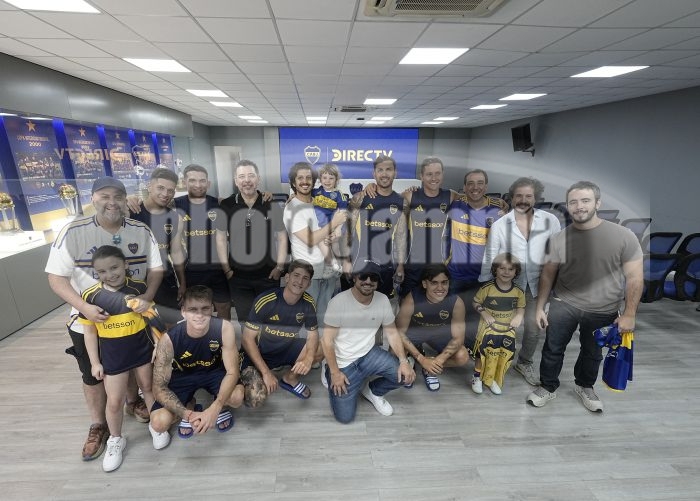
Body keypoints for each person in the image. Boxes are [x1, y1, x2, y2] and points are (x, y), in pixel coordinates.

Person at [46, 177, 163, 461]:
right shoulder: (73, 231)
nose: (112, 202)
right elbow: (56, 279)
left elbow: (156, 269)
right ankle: (99, 426)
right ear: (92, 199)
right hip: (90, 322)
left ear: (125, 199)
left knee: (133, 367)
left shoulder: (140, 230)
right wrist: (84, 308)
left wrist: (147, 297)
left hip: (132, 320)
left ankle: (133, 403)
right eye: (104, 196)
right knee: (93, 374)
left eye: (118, 196)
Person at [527, 181, 643, 412]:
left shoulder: (624, 236)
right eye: (573, 202)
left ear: (597, 203)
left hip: (603, 308)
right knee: (552, 349)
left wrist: (630, 314)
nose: (579, 206)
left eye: (585, 200)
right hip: (563, 303)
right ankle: (548, 386)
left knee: (592, 352)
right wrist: (540, 306)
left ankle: (585, 386)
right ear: (568, 206)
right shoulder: (559, 238)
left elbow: (635, 278)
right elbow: (548, 274)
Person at [81, 246, 167, 472]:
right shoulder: (90, 296)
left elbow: (152, 317)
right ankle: (116, 439)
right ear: (96, 273)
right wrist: (95, 362)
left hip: (142, 351)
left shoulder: (140, 288)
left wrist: (158, 344)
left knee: (148, 389)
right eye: (102, 271)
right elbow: (89, 332)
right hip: (113, 357)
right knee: (115, 401)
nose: (110, 274)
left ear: (125, 264)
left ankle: (157, 426)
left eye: (114, 267)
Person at [479, 177, 561, 386]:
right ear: (511, 197)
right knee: (502, 326)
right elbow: (490, 254)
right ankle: (496, 361)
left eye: (528, 196)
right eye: (519, 196)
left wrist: (557, 285)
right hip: (507, 284)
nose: (523, 200)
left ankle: (524, 362)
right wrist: (486, 285)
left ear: (536, 197)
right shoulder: (500, 224)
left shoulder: (550, 220)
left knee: (533, 328)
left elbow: (556, 255)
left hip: (538, 284)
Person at [321, 260, 415, 423]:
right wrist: (335, 373)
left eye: (373, 278)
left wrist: (403, 361)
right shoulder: (338, 302)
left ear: (378, 282)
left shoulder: (382, 300)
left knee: (405, 376)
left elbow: (392, 333)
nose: (368, 281)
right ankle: (328, 369)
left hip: (368, 354)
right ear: (354, 277)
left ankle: (373, 391)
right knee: (345, 417)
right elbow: (326, 341)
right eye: (363, 276)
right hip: (343, 363)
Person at [150, 285, 244, 441]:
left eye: (205, 309)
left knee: (236, 397)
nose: (199, 315)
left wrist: (215, 408)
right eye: (193, 309)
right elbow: (158, 387)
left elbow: (232, 372)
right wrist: (187, 415)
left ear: (212, 309)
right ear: (183, 312)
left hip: (214, 371)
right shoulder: (169, 339)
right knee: (158, 423)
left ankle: (220, 404)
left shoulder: (224, 328)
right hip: (183, 375)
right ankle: (189, 405)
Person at [216, 160, 287, 327]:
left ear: (258, 179)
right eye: (241, 176)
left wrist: (280, 267)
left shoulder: (271, 203)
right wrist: (226, 269)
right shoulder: (227, 204)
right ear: (236, 181)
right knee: (246, 321)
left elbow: (282, 237)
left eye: (251, 176)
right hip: (238, 277)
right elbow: (220, 239)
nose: (246, 180)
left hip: (268, 276)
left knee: (270, 320)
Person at [241, 260, 322, 404]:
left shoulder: (309, 303)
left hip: (286, 349)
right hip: (260, 352)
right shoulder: (266, 300)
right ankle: (261, 373)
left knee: (322, 348)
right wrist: (266, 373)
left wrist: (309, 358)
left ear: (309, 284)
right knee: (255, 398)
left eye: (305, 278)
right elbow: (247, 339)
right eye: (296, 275)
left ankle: (289, 378)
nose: (300, 281)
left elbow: (313, 335)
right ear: (287, 278)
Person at [445, 169, 507, 346]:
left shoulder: (498, 211)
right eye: (470, 183)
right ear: (464, 187)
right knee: (452, 313)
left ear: (486, 186)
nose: (475, 187)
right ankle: (451, 345)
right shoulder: (455, 206)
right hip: (455, 274)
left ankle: (470, 346)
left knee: (474, 315)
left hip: (483, 276)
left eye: (480, 183)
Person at [283, 162, 347, 325]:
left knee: (325, 314)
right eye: (300, 178)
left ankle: (322, 341)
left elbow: (334, 223)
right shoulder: (292, 208)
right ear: (293, 182)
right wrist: (334, 223)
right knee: (307, 317)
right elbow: (311, 240)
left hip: (329, 269)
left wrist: (334, 234)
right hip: (308, 271)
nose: (305, 181)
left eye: (308, 178)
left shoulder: (319, 200)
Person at [395, 264, 469, 391]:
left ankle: (429, 368)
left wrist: (439, 360)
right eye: (434, 283)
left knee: (462, 356)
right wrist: (421, 358)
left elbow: (458, 339)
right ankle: (410, 361)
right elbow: (399, 332)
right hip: (416, 332)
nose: (440, 288)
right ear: (425, 284)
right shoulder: (412, 298)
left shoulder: (456, 302)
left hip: (439, 334)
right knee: (393, 351)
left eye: (444, 282)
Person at [129, 167, 186, 325]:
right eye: (160, 188)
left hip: (165, 280)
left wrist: (182, 283)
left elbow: (176, 253)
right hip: (135, 281)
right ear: (149, 186)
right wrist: (126, 199)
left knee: (170, 326)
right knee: (140, 327)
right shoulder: (131, 212)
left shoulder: (175, 218)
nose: (165, 194)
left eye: (170, 190)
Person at [347, 155, 407, 300]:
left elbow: (401, 236)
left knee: (383, 305)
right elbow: (348, 232)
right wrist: (346, 260)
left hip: (386, 267)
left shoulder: (402, 202)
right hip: (359, 264)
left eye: (388, 169)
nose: (384, 174)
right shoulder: (359, 198)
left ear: (395, 173)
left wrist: (400, 265)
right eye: (380, 170)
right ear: (374, 174)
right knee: (356, 306)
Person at [175, 164, 231, 320]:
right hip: (192, 270)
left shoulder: (219, 203)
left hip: (218, 269)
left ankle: (222, 335)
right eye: (192, 180)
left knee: (224, 307)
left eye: (202, 180)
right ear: (184, 182)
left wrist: (265, 194)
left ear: (208, 183)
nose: (198, 185)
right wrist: (133, 200)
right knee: (196, 311)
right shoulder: (175, 205)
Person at [471, 253, 526, 395]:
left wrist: (519, 316)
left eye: (510, 269)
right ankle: (477, 377)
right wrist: (484, 313)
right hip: (487, 328)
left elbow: (521, 307)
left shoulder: (518, 291)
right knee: (482, 353)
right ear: (495, 269)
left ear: (516, 272)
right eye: (502, 268)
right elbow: (475, 302)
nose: (506, 272)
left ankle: (492, 379)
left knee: (500, 354)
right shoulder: (487, 288)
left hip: (506, 329)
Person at [312, 162, 349, 277]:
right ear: (320, 179)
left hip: (334, 226)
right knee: (323, 246)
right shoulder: (316, 192)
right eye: (325, 178)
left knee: (335, 245)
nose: (327, 181)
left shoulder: (339, 195)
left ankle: (339, 264)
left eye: (331, 178)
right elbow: (303, 195)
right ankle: (332, 265)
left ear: (336, 180)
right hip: (320, 227)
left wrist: (338, 229)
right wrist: (293, 195)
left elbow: (343, 213)